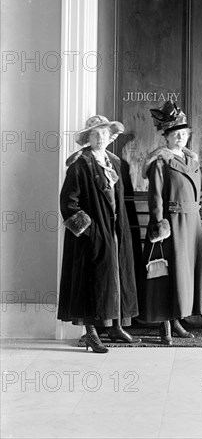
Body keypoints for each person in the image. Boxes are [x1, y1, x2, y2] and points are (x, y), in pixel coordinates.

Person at [58, 115, 140, 352]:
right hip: (91, 236)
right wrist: (90, 231)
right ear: (88, 138)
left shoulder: (113, 162)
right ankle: (91, 333)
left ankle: (116, 327)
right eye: (96, 134)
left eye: (105, 133)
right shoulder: (80, 164)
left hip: (114, 230)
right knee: (90, 282)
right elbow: (68, 203)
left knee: (116, 276)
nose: (101, 137)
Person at [137, 102, 202, 345]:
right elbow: (156, 196)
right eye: (175, 135)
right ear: (166, 137)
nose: (180, 138)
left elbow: (201, 194)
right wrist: (159, 224)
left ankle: (178, 319)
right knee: (169, 274)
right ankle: (165, 325)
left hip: (192, 226)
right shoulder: (160, 161)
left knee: (187, 274)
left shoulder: (193, 160)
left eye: (184, 134)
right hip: (172, 224)